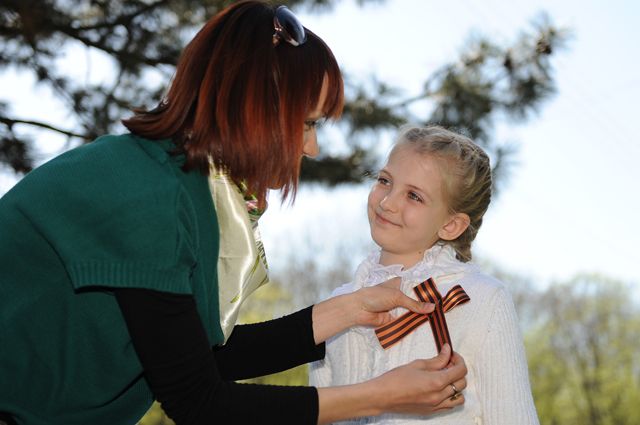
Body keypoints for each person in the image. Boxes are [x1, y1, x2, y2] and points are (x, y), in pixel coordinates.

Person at [0, 3, 469, 425]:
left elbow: (200, 359)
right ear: (256, 107)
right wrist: (378, 397)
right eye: (307, 123)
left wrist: (348, 310)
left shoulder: (179, 186)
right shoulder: (141, 191)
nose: (312, 147)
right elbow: (198, 401)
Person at [310, 125, 540, 424]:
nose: (387, 202)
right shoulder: (336, 305)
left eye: (414, 196)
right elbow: (318, 410)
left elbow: (513, 417)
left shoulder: (480, 299)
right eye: (384, 180)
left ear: (451, 225)